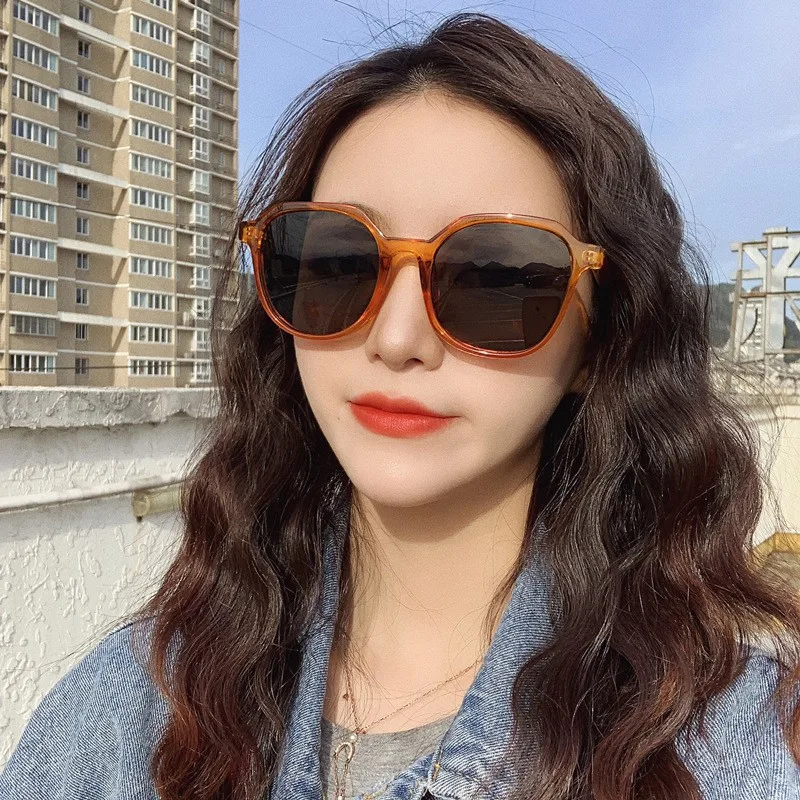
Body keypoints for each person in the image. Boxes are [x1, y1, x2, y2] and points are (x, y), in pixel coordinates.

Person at [2, 11, 800, 800]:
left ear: (600, 341)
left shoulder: (740, 753)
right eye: (337, 261)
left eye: (495, 277)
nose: (396, 337)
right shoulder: (122, 721)